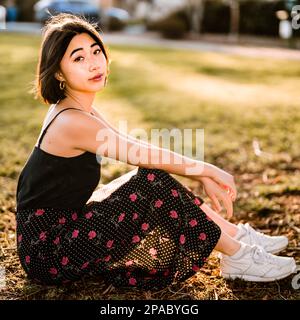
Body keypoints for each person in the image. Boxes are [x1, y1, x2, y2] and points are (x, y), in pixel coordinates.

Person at [15, 13, 296, 290]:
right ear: (58, 72)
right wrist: (207, 171)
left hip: (67, 227)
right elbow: (139, 153)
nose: (93, 64)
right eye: (78, 58)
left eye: (96, 51)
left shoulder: (77, 108)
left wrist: (201, 172)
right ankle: (238, 256)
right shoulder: (71, 121)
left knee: (149, 177)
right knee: (151, 182)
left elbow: (136, 146)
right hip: (49, 251)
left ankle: (236, 236)